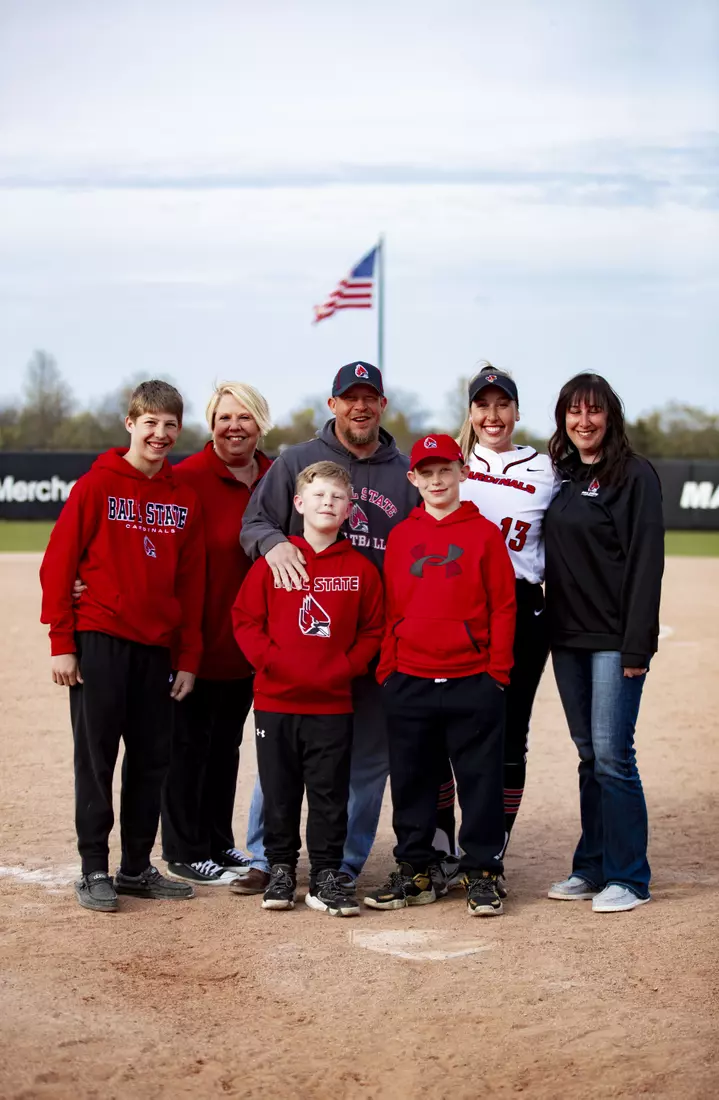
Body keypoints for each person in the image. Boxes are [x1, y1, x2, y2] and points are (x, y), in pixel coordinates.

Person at [232, 361, 421, 898]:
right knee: (283, 761)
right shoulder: (297, 460)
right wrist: (276, 544)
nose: (360, 407)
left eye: (370, 398)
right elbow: (254, 523)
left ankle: (343, 863)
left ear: (383, 405)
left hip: (370, 638)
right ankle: (268, 859)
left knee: (367, 761)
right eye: (349, 398)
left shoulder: (403, 473)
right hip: (300, 641)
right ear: (332, 404)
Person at [40, 380, 205, 913]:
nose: (160, 434)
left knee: (151, 762)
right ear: (130, 423)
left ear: (180, 430)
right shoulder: (95, 486)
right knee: (97, 760)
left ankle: (135, 868)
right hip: (100, 642)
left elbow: (191, 585)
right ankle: (93, 868)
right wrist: (62, 642)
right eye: (150, 422)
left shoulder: (183, 498)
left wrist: (189, 657)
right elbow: (58, 566)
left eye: (170, 425)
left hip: (156, 649)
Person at [364, 434, 516, 917]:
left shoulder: (484, 533)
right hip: (409, 677)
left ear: (462, 472)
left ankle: (483, 872)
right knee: (411, 781)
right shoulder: (403, 535)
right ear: (413, 479)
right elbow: (390, 607)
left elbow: (504, 607)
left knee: (479, 780)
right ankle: (416, 871)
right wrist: (388, 669)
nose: (436, 480)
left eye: (445, 470)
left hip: (473, 677)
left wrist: (497, 673)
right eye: (426, 473)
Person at [232, 461, 384, 915]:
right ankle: (279, 869)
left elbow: (373, 630)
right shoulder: (272, 564)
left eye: (337, 498)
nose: (327, 503)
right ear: (298, 503)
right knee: (279, 790)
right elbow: (245, 621)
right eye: (318, 496)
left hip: (333, 703)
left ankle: (325, 875)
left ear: (349, 509)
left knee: (329, 793)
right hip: (276, 701)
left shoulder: (360, 570)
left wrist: (343, 667)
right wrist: (274, 663)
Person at [544, 373, 664, 913]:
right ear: (563, 418)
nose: (583, 421)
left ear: (610, 416)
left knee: (614, 756)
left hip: (615, 640)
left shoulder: (635, 476)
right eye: (574, 411)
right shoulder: (561, 475)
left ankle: (630, 877)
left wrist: (638, 647)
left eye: (593, 411)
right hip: (566, 638)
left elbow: (645, 566)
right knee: (589, 756)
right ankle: (591, 867)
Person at [160, 383, 273, 885]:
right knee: (187, 746)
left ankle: (217, 841)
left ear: (260, 423)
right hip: (195, 639)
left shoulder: (276, 477)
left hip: (250, 643)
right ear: (210, 423)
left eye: (245, 417)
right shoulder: (184, 478)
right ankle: (184, 849)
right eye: (225, 417)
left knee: (225, 746)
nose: (235, 427)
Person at [457, 364, 560, 883]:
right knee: (445, 728)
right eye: (483, 405)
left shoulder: (547, 468)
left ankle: (490, 849)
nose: (492, 414)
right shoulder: (449, 463)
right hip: (456, 606)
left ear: (516, 412)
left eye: (503, 405)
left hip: (521, 608)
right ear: (471, 412)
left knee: (508, 732)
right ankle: (439, 846)